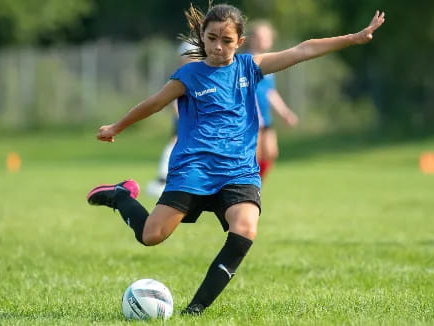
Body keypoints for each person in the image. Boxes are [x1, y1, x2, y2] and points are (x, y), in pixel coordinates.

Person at [86, 2, 385, 315]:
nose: (218, 46)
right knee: (151, 236)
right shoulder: (188, 75)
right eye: (212, 38)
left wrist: (353, 38)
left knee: (245, 229)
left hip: (238, 171)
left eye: (226, 41)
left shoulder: (249, 67)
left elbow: (303, 50)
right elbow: (153, 103)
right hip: (194, 169)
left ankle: (195, 311)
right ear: (202, 36)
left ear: (239, 42)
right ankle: (121, 196)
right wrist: (116, 126)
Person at [146, 41, 199, 198]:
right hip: (185, 120)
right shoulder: (181, 76)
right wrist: (179, 115)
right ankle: (163, 177)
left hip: (195, 120)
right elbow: (174, 100)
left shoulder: (197, 75)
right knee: (175, 143)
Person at [248, 20, 299, 179]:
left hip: (265, 117)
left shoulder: (269, 63)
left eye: (268, 37)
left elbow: (270, 92)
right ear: (253, 39)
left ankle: (255, 187)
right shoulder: (247, 61)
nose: (265, 40)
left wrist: (285, 112)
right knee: (252, 157)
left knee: (270, 153)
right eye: (261, 37)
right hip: (250, 118)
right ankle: (244, 191)